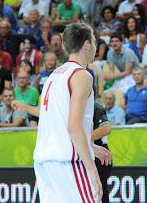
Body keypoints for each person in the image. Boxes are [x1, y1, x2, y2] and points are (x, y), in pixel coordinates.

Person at [33, 23, 112, 202]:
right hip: (68, 161)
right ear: (86, 44)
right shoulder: (82, 75)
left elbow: (56, 120)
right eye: (94, 40)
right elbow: (74, 127)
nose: (95, 45)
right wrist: (92, 169)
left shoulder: (54, 75)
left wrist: (91, 146)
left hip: (45, 161)